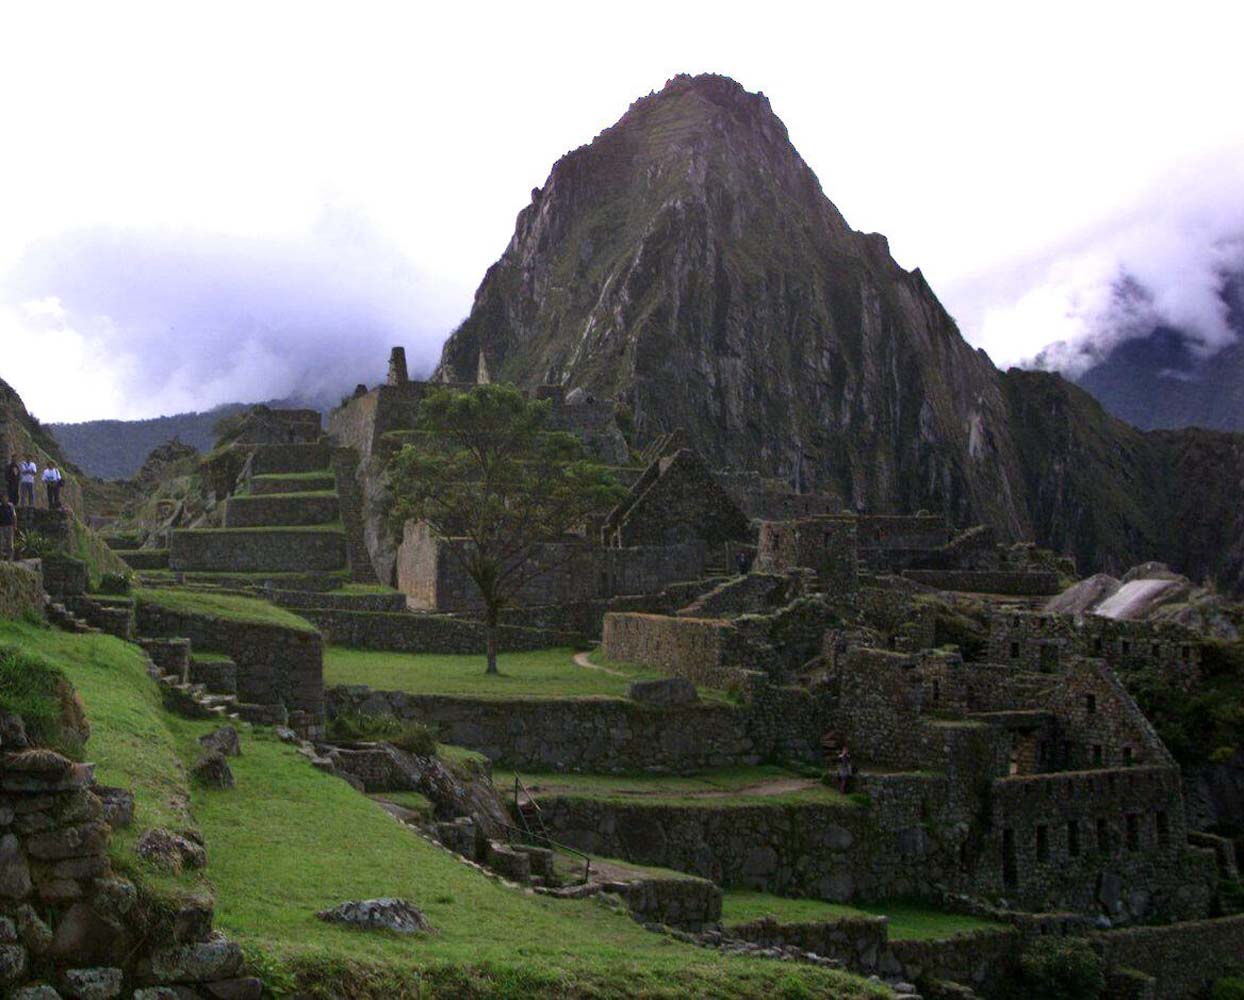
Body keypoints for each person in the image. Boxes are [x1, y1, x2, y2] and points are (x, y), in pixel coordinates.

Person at [0, 495, 15, 561]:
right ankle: (1, 558)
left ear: (7, 499)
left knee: (10, 543)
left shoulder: (11, 506)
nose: (4, 500)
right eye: (3, 498)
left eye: (5, 498)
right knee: (2, 543)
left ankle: (10, 559)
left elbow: (14, 516)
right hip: (2, 527)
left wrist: (15, 525)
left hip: (10, 526)